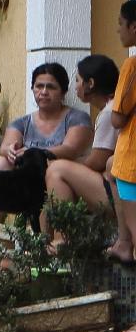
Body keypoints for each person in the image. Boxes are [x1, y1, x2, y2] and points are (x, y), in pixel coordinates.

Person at [0, 61, 90, 234]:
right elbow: (5, 148)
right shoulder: (23, 122)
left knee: (49, 172)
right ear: (33, 89)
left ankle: (48, 241)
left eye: (51, 87)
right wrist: (10, 151)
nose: (43, 92)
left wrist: (34, 152)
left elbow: (71, 149)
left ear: (63, 92)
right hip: (27, 185)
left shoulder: (77, 118)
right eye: (39, 86)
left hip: (58, 177)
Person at [43, 54, 120, 240]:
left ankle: (62, 240)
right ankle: (51, 241)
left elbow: (97, 161)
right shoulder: (112, 109)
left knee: (57, 170)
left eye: (78, 80)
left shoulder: (110, 112)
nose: (75, 86)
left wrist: (71, 165)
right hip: (117, 185)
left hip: (118, 194)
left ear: (90, 83)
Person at [109, 2, 136, 287]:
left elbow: (117, 119)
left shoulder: (132, 65)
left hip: (133, 163)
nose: (118, 29)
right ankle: (123, 243)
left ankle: (126, 243)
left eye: (120, 22)